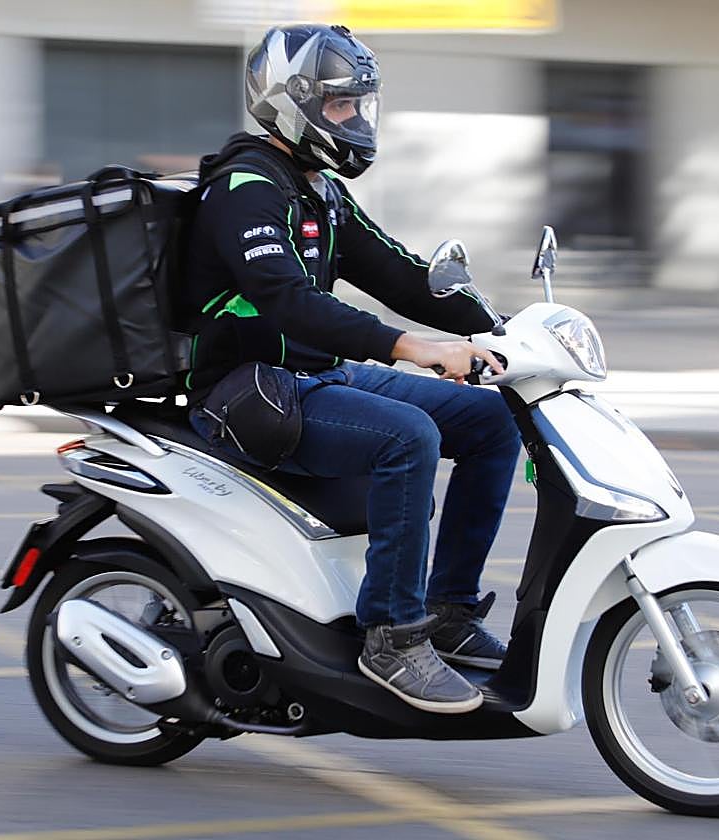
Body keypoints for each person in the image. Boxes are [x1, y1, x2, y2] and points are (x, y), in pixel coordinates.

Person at [183, 23, 522, 714]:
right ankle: (392, 636)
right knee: (409, 437)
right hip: (249, 390)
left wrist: (503, 329)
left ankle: (449, 610)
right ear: (291, 101)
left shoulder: (319, 189)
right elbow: (288, 304)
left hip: (317, 379)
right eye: (341, 105)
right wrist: (414, 347)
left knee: (492, 421)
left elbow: (401, 274)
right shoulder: (246, 188)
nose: (356, 119)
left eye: (361, 104)